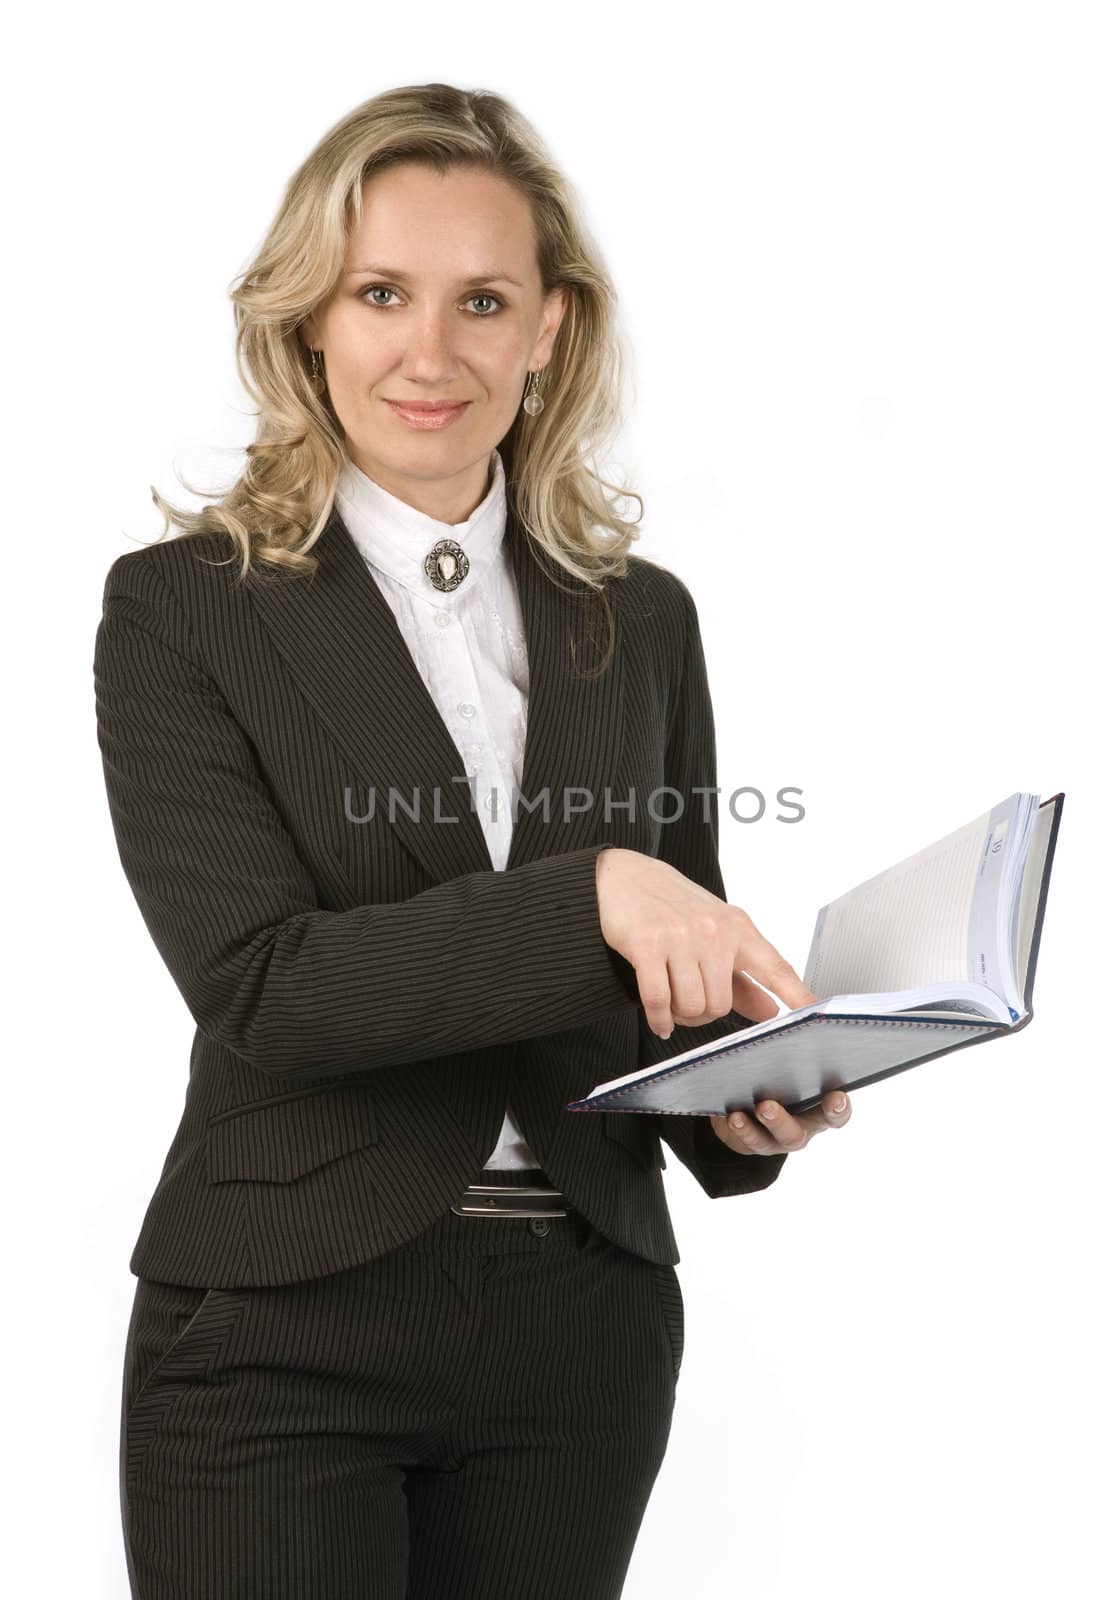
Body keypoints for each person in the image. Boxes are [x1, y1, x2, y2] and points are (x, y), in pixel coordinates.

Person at [94, 81, 852, 1600]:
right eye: (382, 293)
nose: (429, 353)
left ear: (549, 328)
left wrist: (741, 1107)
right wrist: (591, 894)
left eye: (482, 301)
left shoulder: (641, 622)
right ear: (311, 316)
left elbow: (663, 970)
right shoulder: (184, 611)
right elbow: (267, 991)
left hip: (579, 1333)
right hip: (282, 1327)